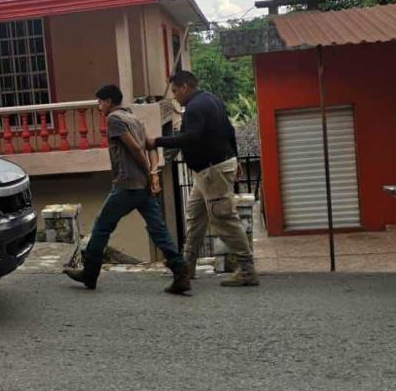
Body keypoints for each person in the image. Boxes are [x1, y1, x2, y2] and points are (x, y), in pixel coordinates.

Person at [64, 84, 192, 294]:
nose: (99, 107)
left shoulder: (114, 119)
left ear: (109, 102)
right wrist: (152, 173)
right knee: (158, 229)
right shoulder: (134, 119)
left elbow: (134, 148)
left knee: (102, 226)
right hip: (142, 187)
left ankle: (90, 273)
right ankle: (181, 272)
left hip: (127, 185)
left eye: (100, 102)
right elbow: (150, 148)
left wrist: (149, 173)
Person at [146, 71, 258, 288]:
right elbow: (229, 131)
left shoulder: (196, 107)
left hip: (212, 171)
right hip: (207, 171)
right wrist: (236, 159)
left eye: (176, 91)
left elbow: (191, 137)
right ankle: (187, 266)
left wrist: (157, 141)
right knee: (195, 216)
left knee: (223, 218)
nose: (175, 97)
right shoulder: (211, 99)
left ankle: (246, 269)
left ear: (185, 87)